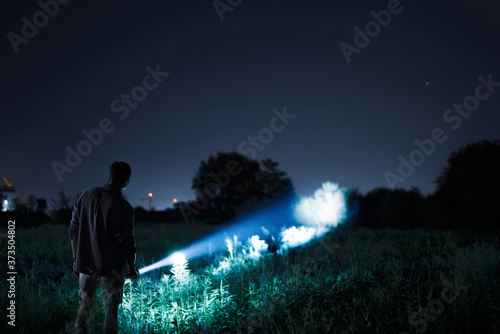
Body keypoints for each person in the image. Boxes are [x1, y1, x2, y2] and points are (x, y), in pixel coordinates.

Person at [69, 162, 139, 334]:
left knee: (84, 305)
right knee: (111, 313)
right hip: (112, 266)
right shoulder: (124, 207)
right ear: (127, 181)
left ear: (109, 176)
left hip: (85, 262)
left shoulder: (83, 195)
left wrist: (75, 259)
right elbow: (128, 242)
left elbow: (73, 231)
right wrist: (131, 267)